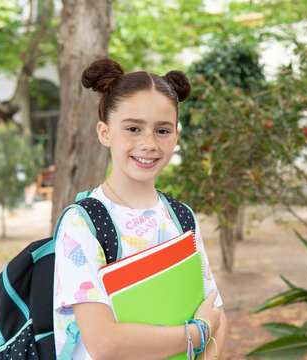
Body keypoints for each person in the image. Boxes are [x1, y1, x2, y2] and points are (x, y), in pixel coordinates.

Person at [53, 59, 227, 360]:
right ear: (104, 132)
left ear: (176, 136)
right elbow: (104, 343)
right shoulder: (83, 224)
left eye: (163, 131)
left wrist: (206, 333)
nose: (148, 144)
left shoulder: (181, 216)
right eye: (133, 128)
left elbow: (217, 313)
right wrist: (197, 332)